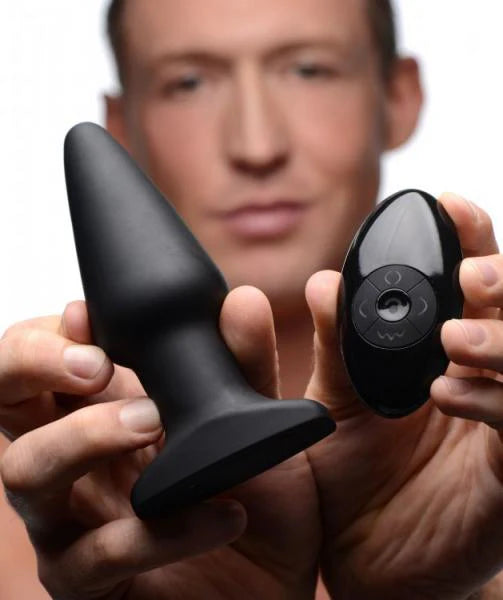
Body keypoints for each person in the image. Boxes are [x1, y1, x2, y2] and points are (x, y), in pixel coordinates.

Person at [1, 0, 503, 598]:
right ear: (121, 127)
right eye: (189, 82)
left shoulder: (489, 479)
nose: (257, 146)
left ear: (399, 96)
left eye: (308, 70)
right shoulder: (60, 517)